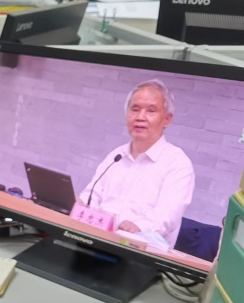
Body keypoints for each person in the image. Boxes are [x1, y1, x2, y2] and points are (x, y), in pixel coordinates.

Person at [78, 79, 195, 248]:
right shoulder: (116, 155)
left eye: (151, 111)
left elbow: (167, 216)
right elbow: (92, 196)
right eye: (135, 109)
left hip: (140, 254)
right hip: (96, 241)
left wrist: (139, 227)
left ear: (167, 119)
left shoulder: (178, 163)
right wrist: (79, 204)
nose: (140, 117)